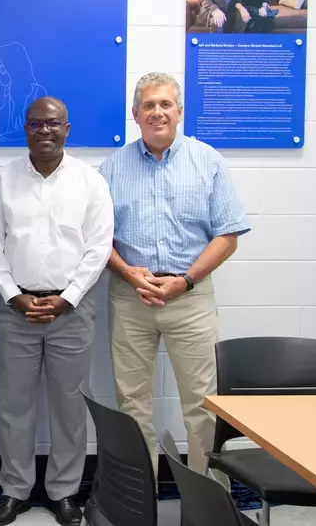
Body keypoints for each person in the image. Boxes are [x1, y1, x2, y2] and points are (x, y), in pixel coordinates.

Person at [98, 72, 249, 480]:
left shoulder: (208, 160)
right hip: (132, 298)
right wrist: (128, 272)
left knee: (204, 406)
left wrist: (186, 279)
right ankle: (138, 500)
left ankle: (208, 503)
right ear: (135, 114)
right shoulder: (112, 167)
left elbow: (228, 234)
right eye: (148, 105)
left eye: (165, 104)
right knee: (132, 405)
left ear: (179, 112)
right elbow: (97, 239)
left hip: (191, 298)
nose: (157, 112)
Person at [0, 97, 113, 526]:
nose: (45, 131)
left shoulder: (90, 182)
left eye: (53, 124)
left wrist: (68, 297)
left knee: (70, 407)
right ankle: (14, 490)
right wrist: (14, 295)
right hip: (14, 310)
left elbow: (98, 247)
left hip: (71, 311)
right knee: (14, 406)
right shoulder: (2, 181)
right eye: (36, 124)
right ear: (26, 129)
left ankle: (65, 492)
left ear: (67, 129)